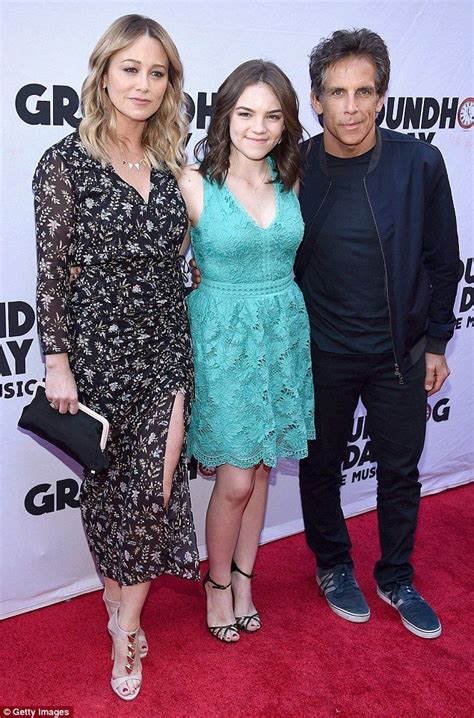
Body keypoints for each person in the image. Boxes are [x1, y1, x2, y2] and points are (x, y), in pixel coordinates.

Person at [33, 14, 199, 700]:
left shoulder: (173, 165)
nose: (144, 83)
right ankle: (115, 596)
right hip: (96, 355)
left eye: (157, 72)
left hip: (165, 348)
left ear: (170, 85)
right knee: (107, 493)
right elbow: (52, 270)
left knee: (153, 491)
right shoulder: (64, 162)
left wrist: (184, 273)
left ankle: (125, 626)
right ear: (104, 73)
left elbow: (177, 255)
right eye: (131, 68)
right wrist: (57, 360)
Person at [296, 29, 461, 639]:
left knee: (399, 471)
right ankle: (333, 565)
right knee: (320, 468)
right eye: (337, 93)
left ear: (383, 95)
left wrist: (438, 342)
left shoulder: (420, 162)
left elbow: (445, 260)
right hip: (322, 353)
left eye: (364, 91)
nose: (351, 107)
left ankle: (396, 575)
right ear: (316, 100)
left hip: (401, 353)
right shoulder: (297, 167)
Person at [178, 60, 315, 643]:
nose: (258, 127)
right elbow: (162, 270)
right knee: (235, 479)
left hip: (282, 333)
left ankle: (244, 581)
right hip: (222, 342)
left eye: (272, 115)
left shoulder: (290, 182)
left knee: (260, 474)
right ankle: (215, 586)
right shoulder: (191, 183)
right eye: (245, 113)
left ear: (285, 125)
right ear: (225, 115)